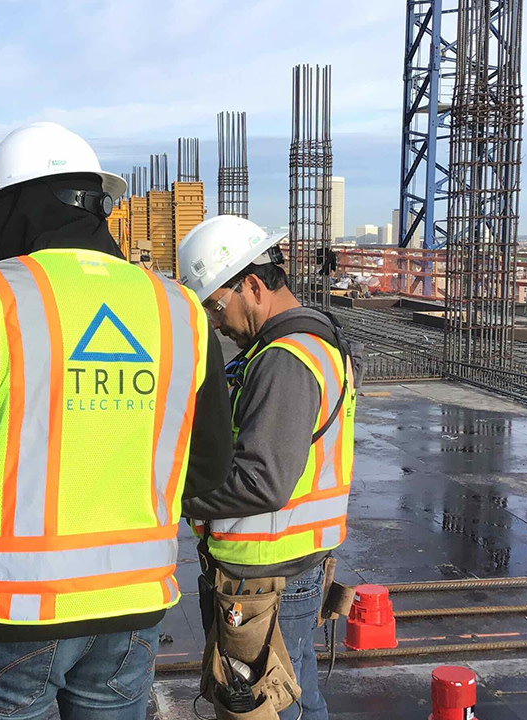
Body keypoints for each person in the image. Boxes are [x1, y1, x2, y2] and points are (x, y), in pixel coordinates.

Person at [0, 121, 232, 720]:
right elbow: (206, 470)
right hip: (133, 609)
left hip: (11, 615)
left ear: (13, 209)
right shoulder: (179, 308)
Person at [177, 215, 360, 720]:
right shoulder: (304, 345)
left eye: (217, 305)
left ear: (252, 285)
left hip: (266, 577)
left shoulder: (285, 359)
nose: (217, 322)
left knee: (260, 708)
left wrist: (171, 493)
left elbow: (262, 479)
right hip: (290, 568)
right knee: (296, 696)